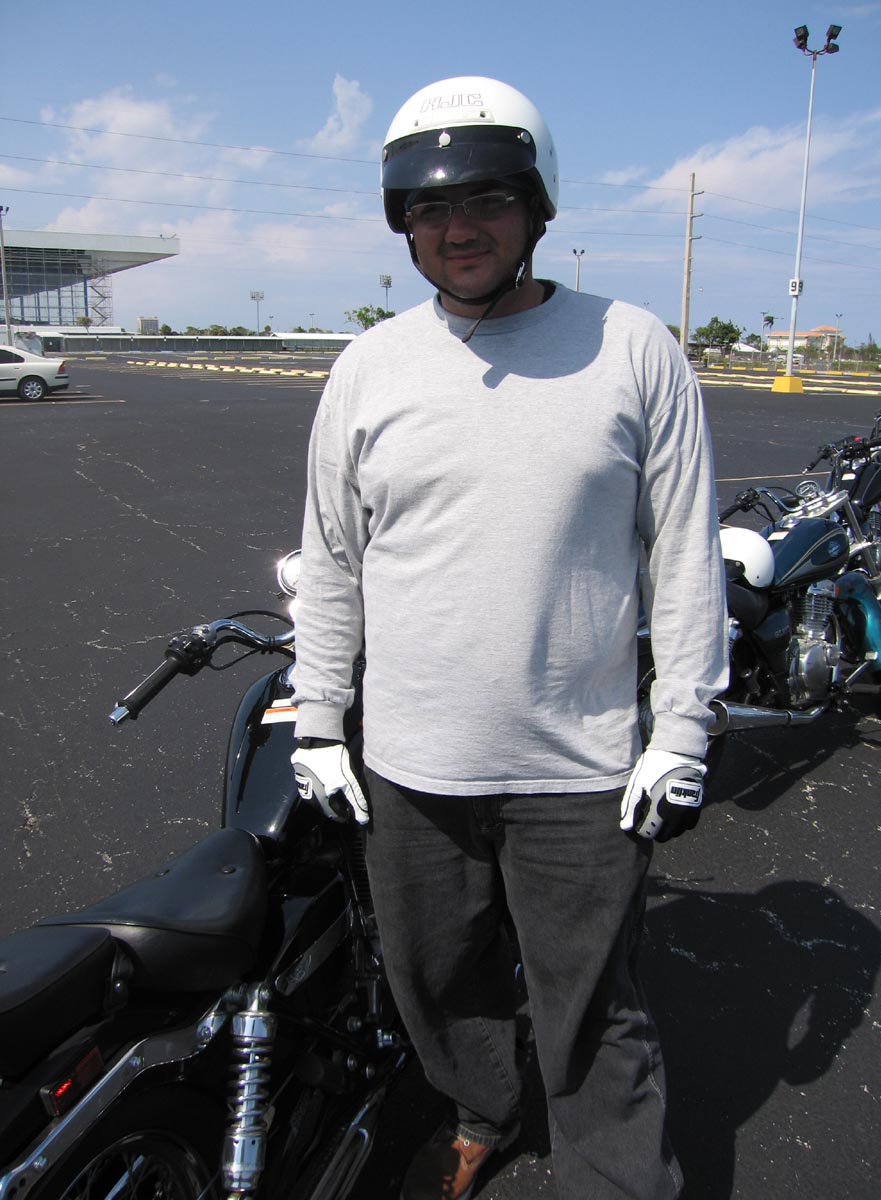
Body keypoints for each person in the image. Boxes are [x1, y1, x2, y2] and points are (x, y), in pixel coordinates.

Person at [289, 76, 728, 1200]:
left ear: (536, 207)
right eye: (431, 209)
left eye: (485, 199)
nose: (459, 228)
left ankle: (615, 1180)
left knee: (594, 1011)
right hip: (411, 766)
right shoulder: (369, 368)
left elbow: (684, 558)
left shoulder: (632, 349)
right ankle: (482, 1107)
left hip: (578, 769)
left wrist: (682, 729)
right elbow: (333, 559)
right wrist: (321, 719)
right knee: (436, 982)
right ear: (404, 225)